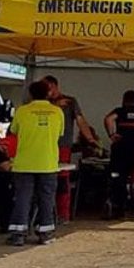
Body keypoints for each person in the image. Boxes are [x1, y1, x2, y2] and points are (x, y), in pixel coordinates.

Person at [8, 80, 64, 246]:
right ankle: (45, 233)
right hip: (47, 162)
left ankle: (18, 234)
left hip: (24, 162)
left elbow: (13, 131)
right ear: (48, 93)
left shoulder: (22, 111)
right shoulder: (57, 112)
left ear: (30, 94)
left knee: (23, 197)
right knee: (46, 198)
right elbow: (60, 134)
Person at [43, 75, 95, 223]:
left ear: (55, 86)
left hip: (63, 146)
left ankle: (63, 214)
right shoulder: (42, 103)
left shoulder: (70, 102)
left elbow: (80, 120)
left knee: (62, 179)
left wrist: (90, 139)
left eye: (49, 88)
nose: (48, 92)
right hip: (44, 145)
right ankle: (45, 213)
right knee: (44, 179)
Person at [104, 89, 134, 215]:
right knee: (127, 177)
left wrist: (112, 134)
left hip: (120, 150)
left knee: (116, 177)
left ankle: (115, 203)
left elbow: (108, 119)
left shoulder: (120, 111)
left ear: (124, 100)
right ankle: (123, 204)